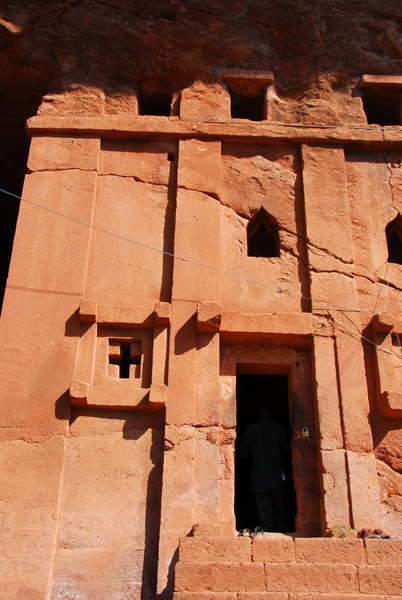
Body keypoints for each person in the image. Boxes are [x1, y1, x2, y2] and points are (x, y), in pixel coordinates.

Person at [240, 406, 292, 532]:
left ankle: (266, 529)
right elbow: (289, 448)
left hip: (258, 476)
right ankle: (282, 528)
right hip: (277, 475)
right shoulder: (279, 429)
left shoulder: (251, 431)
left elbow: (242, 453)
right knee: (280, 505)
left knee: (264, 507)